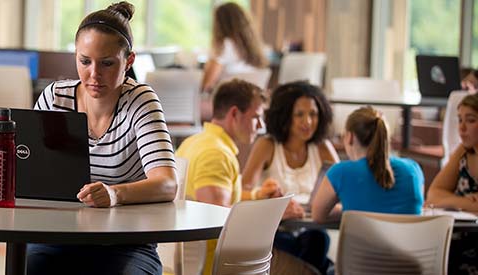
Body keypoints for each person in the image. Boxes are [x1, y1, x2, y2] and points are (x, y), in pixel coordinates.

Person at [31, 2, 177, 274]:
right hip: (57, 237)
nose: (94, 75)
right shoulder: (55, 98)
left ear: (129, 61)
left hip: (126, 242)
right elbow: (31, 172)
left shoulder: (141, 102)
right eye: (84, 61)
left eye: (107, 63)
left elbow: (167, 184)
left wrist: (114, 193)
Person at [175, 79, 274, 275]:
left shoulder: (194, 142)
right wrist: (272, 216)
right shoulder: (216, 154)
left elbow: (218, 199)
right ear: (235, 114)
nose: (261, 125)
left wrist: (257, 196)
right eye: (256, 117)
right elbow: (220, 221)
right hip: (213, 267)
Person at [240, 81, 337, 274]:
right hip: (273, 231)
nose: (308, 122)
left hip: (309, 228)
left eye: (313, 114)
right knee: (305, 252)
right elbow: (244, 191)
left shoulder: (322, 147)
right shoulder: (267, 145)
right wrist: (275, 204)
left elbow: (342, 189)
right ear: (285, 116)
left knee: (319, 239)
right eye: (299, 114)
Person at [311, 106, 424, 223]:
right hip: (407, 241)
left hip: (361, 241)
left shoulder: (340, 172)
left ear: (350, 137)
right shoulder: (414, 169)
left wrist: (349, 211)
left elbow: (318, 216)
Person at [427, 94, 478, 275]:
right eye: (459, 120)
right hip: (457, 240)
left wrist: (452, 200)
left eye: (471, 121)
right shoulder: (463, 152)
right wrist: (467, 203)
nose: (462, 128)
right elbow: (433, 195)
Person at [200, 2, 267, 93]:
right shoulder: (254, 46)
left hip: (227, 102)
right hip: (250, 103)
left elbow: (206, 85)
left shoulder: (224, 46)